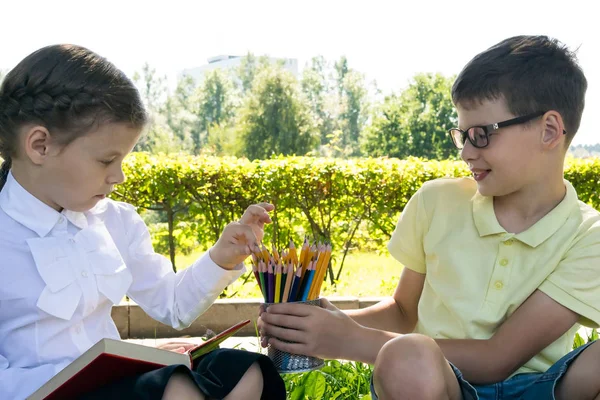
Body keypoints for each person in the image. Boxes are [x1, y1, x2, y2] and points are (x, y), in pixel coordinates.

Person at [258, 35, 600, 400]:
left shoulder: (588, 234)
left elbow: (499, 357)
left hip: (538, 389)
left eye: (482, 135)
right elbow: (405, 311)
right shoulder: (437, 202)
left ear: (549, 130)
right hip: (435, 383)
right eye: (463, 135)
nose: (467, 152)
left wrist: (352, 341)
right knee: (410, 353)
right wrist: (321, 327)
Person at [0, 44, 285, 400]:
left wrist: (222, 258)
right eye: (107, 160)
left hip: (118, 383)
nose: (118, 176)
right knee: (172, 386)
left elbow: (172, 304)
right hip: (44, 394)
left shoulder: (115, 221)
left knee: (243, 368)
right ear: (40, 145)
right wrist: (94, 370)